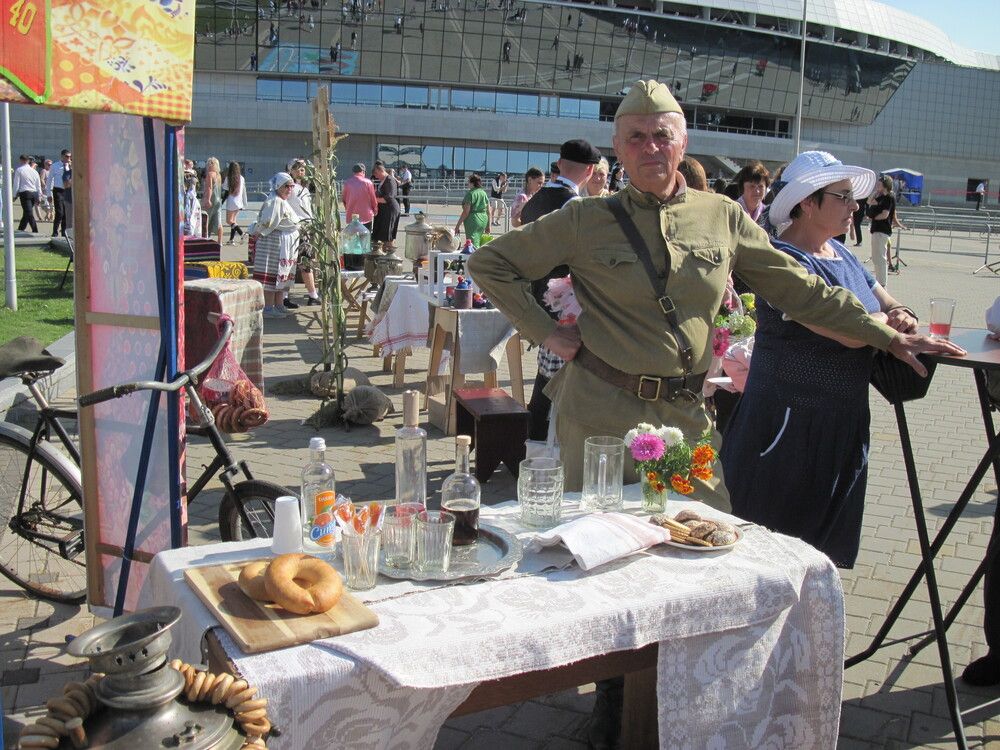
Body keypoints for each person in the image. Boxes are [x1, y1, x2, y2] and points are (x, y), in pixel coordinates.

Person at [468, 78, 962, 502]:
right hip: (600, 418)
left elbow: (799, 288)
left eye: (662, 136)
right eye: (636, 137)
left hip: (687, 415)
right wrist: (545, 330)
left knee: (705, 542)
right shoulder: (583, 219)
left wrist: (884, 334)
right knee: (599, 554)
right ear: (616, 150)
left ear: (683, 144)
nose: (650, 147)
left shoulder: (721, 216)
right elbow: (489, 262)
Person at [720, 150, 921, 569]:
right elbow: (848, 332)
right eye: (843, 197)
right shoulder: (784, 260)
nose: (855, 207)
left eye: (853, 198)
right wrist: (884, 322)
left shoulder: (841, 254)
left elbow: (885, 300)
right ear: (807, 203)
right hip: (787, 428)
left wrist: (903, 313)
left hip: (841, 423)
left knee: (819, 557)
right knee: (770, 555)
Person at [517, 139, 600, 441]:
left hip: (535, 296)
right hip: (565, 302)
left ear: (560, 163)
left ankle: (535, 442)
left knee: (544, 378)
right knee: (562, 382)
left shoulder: (535, 199)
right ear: (590, 171)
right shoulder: (573, 204)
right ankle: (552, 447)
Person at [252, 172, 301, 318]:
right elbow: (266, 223)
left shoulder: (281, 200)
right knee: (272, 274)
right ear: (279, 186)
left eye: (291, 186)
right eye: (286, 186)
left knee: (281, 274)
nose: (289, 189)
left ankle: (279, 305)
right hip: (273, 243)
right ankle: (268, 307)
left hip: (284, 243)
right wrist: (256, 231)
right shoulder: (274, 201)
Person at [285, 158, 321, 307]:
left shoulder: (303, 188)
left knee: (305, 262)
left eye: (303, 168)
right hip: (294, 228)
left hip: (306, 228)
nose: (301, 170)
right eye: (297, 168)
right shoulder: (289, 187)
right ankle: (284, 295)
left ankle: (312, 294)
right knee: (291, 262)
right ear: (290, 170)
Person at [866, 174, 896, 287]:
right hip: (876, 229)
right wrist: (874, 194)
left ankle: (882, 282)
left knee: (880, 257)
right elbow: (869, 202)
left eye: (880, 184)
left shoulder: (889, 197)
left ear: (885, 185)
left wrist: (873, 217)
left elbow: (885, 215)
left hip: (882, 230)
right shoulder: (880, 196)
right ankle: (879, 280)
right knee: (875, 256)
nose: (877, 185)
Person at [454, 173, 490, 246]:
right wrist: (488, 226)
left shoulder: (470, 194)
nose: (467, 183)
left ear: (472, 183)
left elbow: (466, 212)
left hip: (473, 220)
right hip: (483, 219)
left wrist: (458, 225)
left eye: (468, 182)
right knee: (480, 242)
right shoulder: (483, 193)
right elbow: (489, 211)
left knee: (472, 244)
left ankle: (473, 257)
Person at [371, 161, 400, 249]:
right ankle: (385, 253)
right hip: (384, 210)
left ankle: (389, 254)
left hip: (389, 210)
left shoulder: (390, 180)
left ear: (380, 171)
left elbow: (388, 197)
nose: (376, 176)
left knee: (388, 236)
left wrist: (373, 199)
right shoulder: (384, 180)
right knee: (383, 234)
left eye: (376, 174)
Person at [342, 163, 378, 231]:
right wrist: (375, 210)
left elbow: (344, 199)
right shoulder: (368, 182)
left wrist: (347, 209)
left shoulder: (347, 183)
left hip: (352, 216)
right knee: (365, 238)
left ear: (353, 172)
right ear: (363, 171)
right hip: (366, 215)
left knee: (353, 238)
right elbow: (373, 199)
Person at [12, 155, 41, 233]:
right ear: (28, 161)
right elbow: (38, 185)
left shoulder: (19, 170)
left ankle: (35, 230)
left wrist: (14, 195)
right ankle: (20, 229)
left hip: (25, 193)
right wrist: (39, 196)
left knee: (28, 212)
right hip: (34, 193)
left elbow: (16, 184)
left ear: (21, 160)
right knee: (27, 212)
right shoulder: (34, 171)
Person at [224, 161, 248, 245]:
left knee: (229, 221)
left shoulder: (229, 178)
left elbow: (226, 191)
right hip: (239, 202)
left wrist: (222, 201)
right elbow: (243, 191)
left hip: (231, 201)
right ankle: (231, 240)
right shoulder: (241, 178)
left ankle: (242, 233)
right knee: (233, 221)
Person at [202, 157, 224, 245]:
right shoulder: (219, 175)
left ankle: (205, 238)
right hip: (218, 201)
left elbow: (209, 188)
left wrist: (207, 199)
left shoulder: (209, 174)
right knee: (218, 222)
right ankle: (220, 241)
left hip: (211, 200)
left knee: (206, 220)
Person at [49, 149, 70, 238]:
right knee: (59, 212)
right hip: (58, 190)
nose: (68, 158)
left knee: (66, 213)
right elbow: (49, 180)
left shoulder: (71, 166)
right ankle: (55, 232)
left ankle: (64, 233)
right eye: (66, 156)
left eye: (69, 156)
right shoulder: (55, 166)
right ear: (62, 156)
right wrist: (48, 194)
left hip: (67, 191)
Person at [182, 170, 202, 237]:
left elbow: (197, 221)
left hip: (188, 229)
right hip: (188, 229)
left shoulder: (191, 198)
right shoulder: (190, 197)